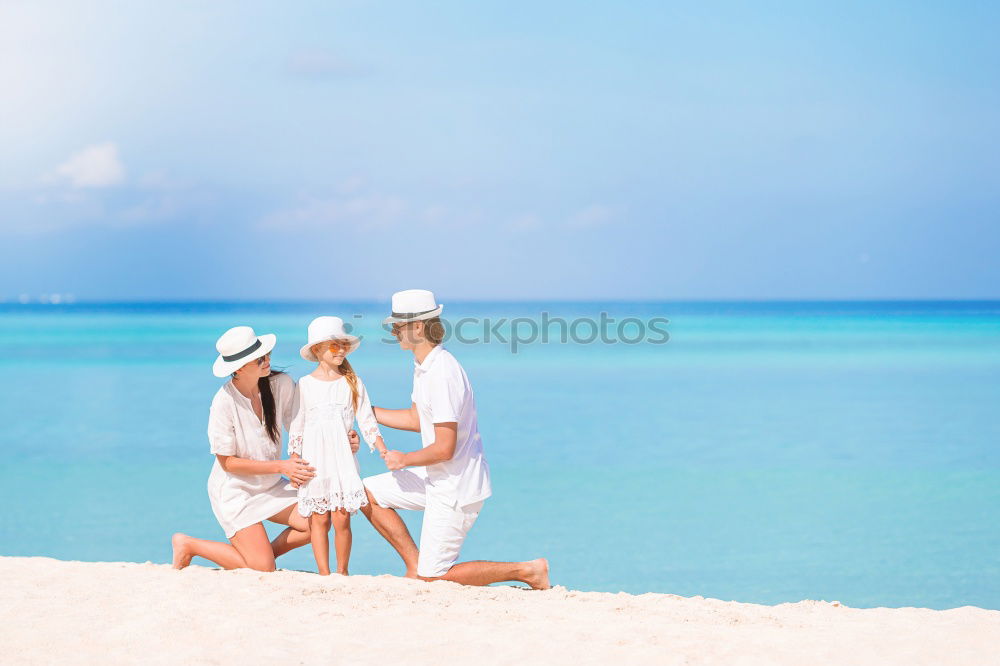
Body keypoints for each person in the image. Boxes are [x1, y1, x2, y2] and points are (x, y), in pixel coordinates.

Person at [362, 289, 550, 589]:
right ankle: (415, 566)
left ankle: (527, 570)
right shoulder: (423, 365)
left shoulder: (442, 373)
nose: (394, 332)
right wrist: (366, 412)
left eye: (397, 326)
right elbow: (415, 419)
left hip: (457, 487)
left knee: (436, 578)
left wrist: (405, 459)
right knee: (366, 492)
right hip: (436, 479)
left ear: (418, 327)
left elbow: (445, 448)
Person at [171, 325, 358, 571]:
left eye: (266, 354)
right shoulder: (223, 403)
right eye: (259, 358)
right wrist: (282, 466)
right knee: (263, 568)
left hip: (271, 486)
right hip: (236, 493)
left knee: (319, 520)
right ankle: (189, 544)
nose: (267, 360)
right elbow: (228, 462)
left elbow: (304, 426)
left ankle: (261, 557)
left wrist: (345, 439)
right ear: (238, 368)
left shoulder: (280, 384)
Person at [288, 316, 387, 575]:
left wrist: (381, 448)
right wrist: (294, 464)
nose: (341, 350)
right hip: (314, 461)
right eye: (334, 345)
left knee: (342, 517)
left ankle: (342, 572)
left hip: (342, 461)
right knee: (319, 519)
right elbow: (297, 427)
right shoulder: (305, 385)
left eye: (343, 344)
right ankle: (324, 573)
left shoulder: (351, 382)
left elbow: (366, 418)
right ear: (317, 349)